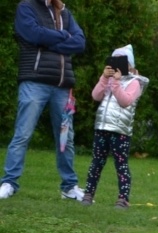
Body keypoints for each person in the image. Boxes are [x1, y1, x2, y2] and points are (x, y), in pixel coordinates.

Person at [0, 0, 86, 202]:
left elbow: (80, 42)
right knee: (23, 133)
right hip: (34, 81)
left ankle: (69, 187)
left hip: (62, 86)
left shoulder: (64, 11)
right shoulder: (26, 7)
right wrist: (64, 36)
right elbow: (33, 34)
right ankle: (9, 183)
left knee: (66, 139)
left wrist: (50, 40)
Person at [81, 45, 149, 209]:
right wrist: (104, 79)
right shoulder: (109, 80)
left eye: (122, 61)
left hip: (120, 132)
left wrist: (117, 83)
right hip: (102, 128)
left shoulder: (135, 83)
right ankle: (88, 193)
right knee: (96, 162)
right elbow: (95, 95)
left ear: (130, 65)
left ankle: (123, 198)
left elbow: (125, 101)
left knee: (121, 164)